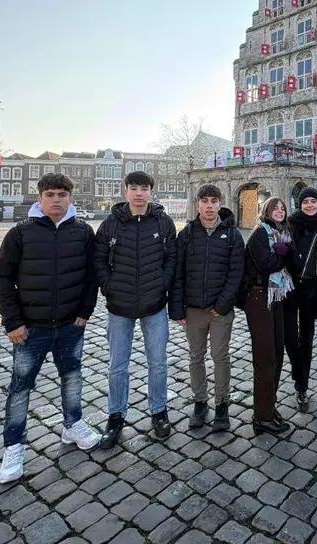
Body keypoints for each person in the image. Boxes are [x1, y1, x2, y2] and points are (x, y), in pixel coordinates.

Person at [0, 173, 100, 484]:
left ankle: (72, 425)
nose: (56, 200)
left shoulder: (82, 232)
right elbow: (2, 278)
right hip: (31, 328)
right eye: (50, 194)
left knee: (72, 378)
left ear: (70, 198)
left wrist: (84, 311)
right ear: (40, 198)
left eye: (62, 194)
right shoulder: (20, 233)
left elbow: (91, 276)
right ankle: (14, 447)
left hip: (69, 324)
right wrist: (13, 321)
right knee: (21, 387)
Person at [94, 171, 178, 448]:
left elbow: (171, 257)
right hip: (120, 306)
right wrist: (109, 286)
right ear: (126, 192)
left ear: (151, 191)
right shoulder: (111, 224)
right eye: (134, 188)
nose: (139, 193)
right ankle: (115, 416)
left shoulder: (163, 222)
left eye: (144, 188)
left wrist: (163, 284)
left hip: (154, 305)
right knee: (117, 365)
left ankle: (159, 411)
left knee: (158, 363)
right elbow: (98, 259)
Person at [170, 184, 244, 432]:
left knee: (220, 357)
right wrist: (177, 307)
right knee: (196, 357)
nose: (209, 206)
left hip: (220, 310)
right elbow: (178, 273)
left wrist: (222, 305)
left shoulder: (233, 236)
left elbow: (236, 274)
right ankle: (200, 402)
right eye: (205, 201)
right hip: (194, 309)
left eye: (213, 201)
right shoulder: (187, 234)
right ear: (198, 204)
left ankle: (222, 403)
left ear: (220, 204)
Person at [244, 196, 294, 435]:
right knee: (266, 358)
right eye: (275, 208)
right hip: (259, 297)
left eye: (282, 208)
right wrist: (285, 254)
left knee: (277, 352)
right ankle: (262, 417)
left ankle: (268, 406)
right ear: (266, 210)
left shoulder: (281, 234)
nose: (279, 211)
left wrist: (284, 253)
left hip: (276, 296)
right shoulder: (259, 234)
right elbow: (267, 264)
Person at [284, 187, 317, 413]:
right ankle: (297, 370)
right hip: (289, 289)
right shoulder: (290, 225)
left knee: (306, 340)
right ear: (299, 204)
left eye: (313, 201)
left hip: (311, 290)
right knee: (290, 339)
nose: (310, 205)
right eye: (305, 202)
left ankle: (301, 386)